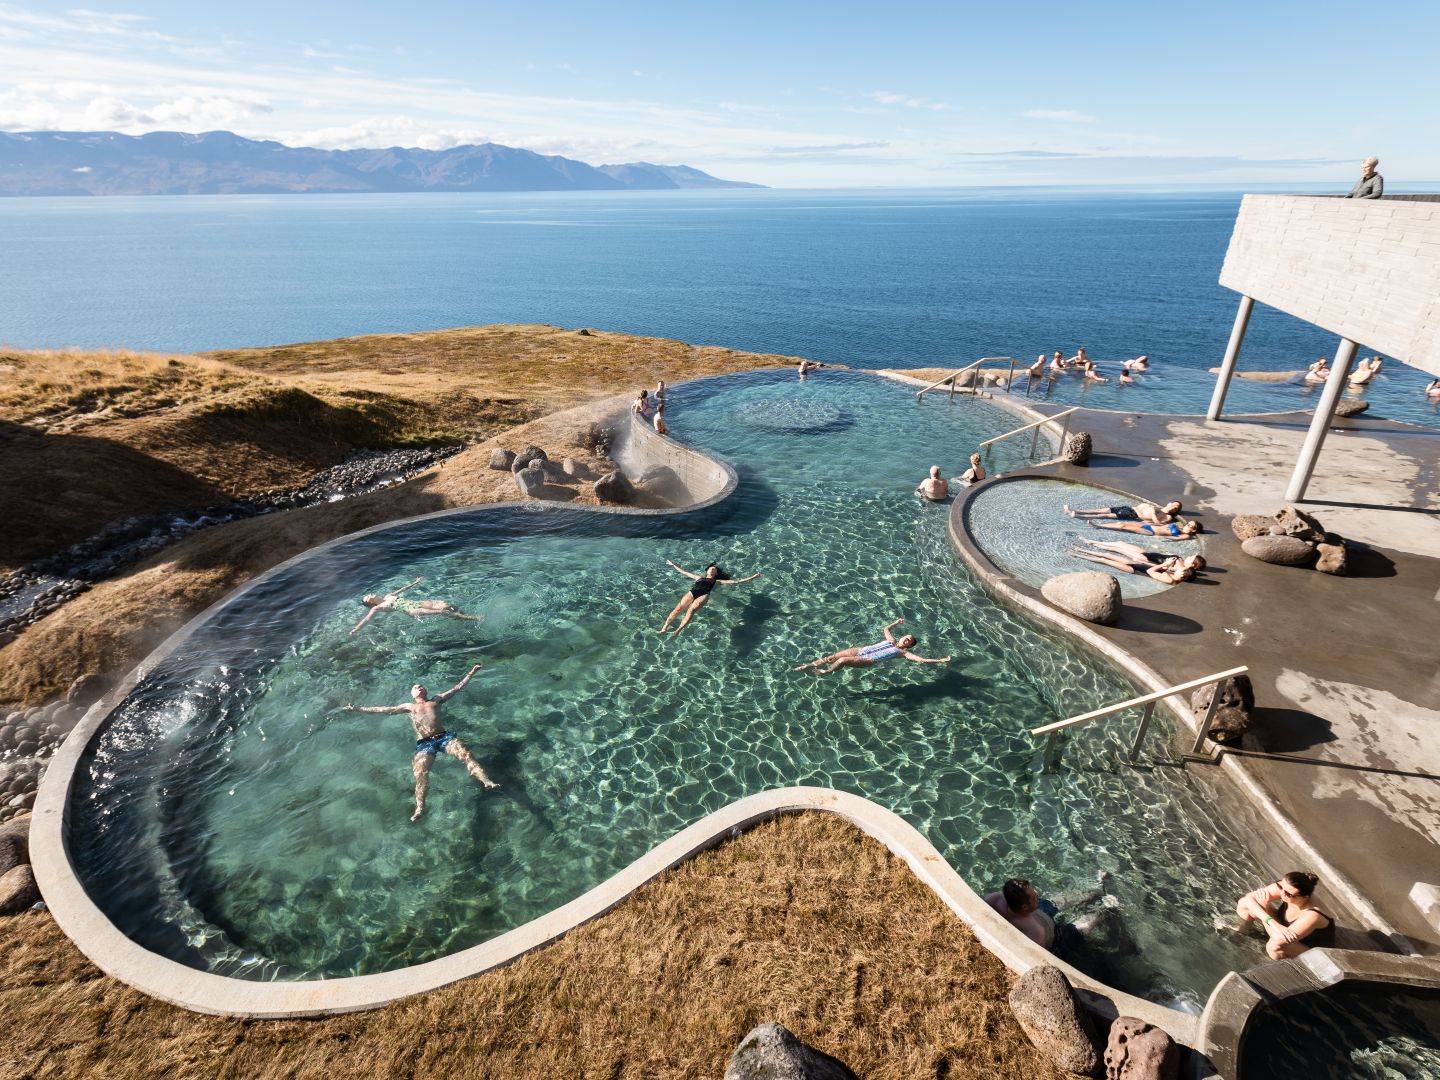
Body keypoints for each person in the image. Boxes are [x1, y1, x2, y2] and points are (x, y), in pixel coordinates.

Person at [342, 665, 497, 822]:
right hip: (424, 744)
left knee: (466, 755)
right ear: (412, 694)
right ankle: (420, 808)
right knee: (420, 774)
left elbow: (457, 688)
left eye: (421, 685)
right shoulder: (409, 707)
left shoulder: (436, 700)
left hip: (444, 737)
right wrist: (357, 709)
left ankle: (486, 781)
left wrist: (472, 672)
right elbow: (383, 709)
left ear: (425, 690)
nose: (419, 687)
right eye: (416, 687)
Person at [793, 617, 951, 675]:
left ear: (909, 646)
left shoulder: (902, 653)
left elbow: (922, 660)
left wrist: (942, 660)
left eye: (909, 640)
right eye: (907, 636)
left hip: (868, 659)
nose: (907, 639)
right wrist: (896, 622)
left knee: (840, 662)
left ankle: (827, 672)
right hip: (861, 650)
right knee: (832, 657)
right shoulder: (891, 640)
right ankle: (806, 666)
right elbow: (885, 629)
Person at [1234, 872, 1336, 959]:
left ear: (1305, 897)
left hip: (1310, 950)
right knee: (1244, 904)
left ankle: (1288, 967)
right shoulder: (1288, 887)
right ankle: (1246, 930)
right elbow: (1249, 898)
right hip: (1283, 929)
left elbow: (1279, 941)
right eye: (1281, 887)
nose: (1282, 893)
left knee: (1273, 947)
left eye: (1288, 894)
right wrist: (1272, 922)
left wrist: (1266, 909)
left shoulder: (1313, 915)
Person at [657, 559, 762, 634]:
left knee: (691, 610)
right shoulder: (698, 577)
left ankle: (678, 630)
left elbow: (736, 581)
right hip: (692, 592)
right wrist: (672, 564)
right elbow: (684, 572)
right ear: (707, 571)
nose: (712, 569)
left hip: (704, 595)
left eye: (714, 569)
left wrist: (753, 577)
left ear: (716, 573)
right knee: (678, 608)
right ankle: (665, 627)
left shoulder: (717, 581)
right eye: (711, 568)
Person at [351, 577, 483, 634]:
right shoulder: (377, 607)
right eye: (368, 598)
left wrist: (415, 582)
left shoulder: (388, 596)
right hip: (412, 609)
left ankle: (461, 616)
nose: (370, 595)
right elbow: (367, 619)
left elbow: (403, 589)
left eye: (368, 595)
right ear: (371, 602)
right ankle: (473, 618)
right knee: (443, 611)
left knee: (447, 605)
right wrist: (356, 628)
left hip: (418, 602)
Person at [1069, 541, 1205, 584]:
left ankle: (1077, 554)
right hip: (1140, 565)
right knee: (1107, 555)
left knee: (1105, 560)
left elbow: (1151, 572)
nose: (1180, 569)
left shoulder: (1169, 579)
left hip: (1135, 569)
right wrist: (1167, 565)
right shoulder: (1171, 575)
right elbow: (1153, 567)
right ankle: (1080, 549)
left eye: (1182, 571)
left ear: (1182, 576)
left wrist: (1164, 565)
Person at [985, 878, 1053, 947]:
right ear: (1025, 907)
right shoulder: (1035, 931)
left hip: (1025, 907)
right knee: (1052, 904)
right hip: (1048, 920)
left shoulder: (994, 899)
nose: (1037, 896)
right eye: (1035, 898)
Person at [1065, 500, 1182, 524]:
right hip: (1129, 508)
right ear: (1169, 503)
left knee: (1107, 515)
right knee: (1104, 509)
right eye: (1173, 505)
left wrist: (1152, 514)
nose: (1173, 507)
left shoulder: (1167, 517)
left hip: (1133, 514)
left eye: (1176, 508)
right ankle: (1076, 510)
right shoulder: (1157, 506)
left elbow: (1158, 523)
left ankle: (1081, 516)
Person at [1088, 518, 1201, 540]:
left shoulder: (1186, 535)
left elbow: (1175, 538)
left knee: (1124, 527)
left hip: (1150, 532)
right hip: (1150, 526)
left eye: (1190, 526)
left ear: (1194, 530)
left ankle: (1098, 526)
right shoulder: (1180, 526)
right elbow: (1163, 525)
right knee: (1123, 523)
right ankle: (1101, 524)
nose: (1187, 525)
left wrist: (1160, 537)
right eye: (1188, 523)